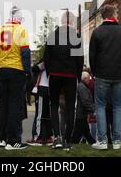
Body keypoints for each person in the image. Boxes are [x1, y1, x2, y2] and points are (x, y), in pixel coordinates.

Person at [89, 5, 121, 150]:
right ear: (113, 14)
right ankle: (116, 141)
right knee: (118, 107)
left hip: (102, 74)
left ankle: (102, 141)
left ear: (102, 16)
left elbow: (92, 56)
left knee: (100, 106)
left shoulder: (97, 32)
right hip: (120, 74)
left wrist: (94, 73)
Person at [0, 6, 31, 150]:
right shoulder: (21, 30)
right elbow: (25, 52)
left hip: (3, 70)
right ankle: (13, 140)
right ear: (19, 19)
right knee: (15, 105)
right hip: (16, 69)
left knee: (4, 105)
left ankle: (2, 138)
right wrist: (28, 71)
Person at [44, 11, 83, 150]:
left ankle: (57, 138)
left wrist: (49, 73)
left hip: (54, 74)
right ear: (72, 22)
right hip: (71, 75)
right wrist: (78, 76)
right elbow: (79, 60)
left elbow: (46, 58)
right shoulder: (76, 36)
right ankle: (67, 140)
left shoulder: (53, 35)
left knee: (54, 105)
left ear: (61, 21)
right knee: (70, 107)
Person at [27, 62, 53, 146]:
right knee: (47, 115)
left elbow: (35, 69)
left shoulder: (45, 63)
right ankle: (48, 137)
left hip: (42, 89)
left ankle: (38, 137)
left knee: (39, 115)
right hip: (51, 89)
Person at [71, 72, 96, 145]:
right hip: (81, 114)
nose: (89, 80)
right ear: (85, 79)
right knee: (78, 133)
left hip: (82, 114)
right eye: (88, 78)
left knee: (85, 131)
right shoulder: (82, 87)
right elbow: (85, 100)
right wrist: (92, 110)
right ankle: (73, 144)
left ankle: (92, 142)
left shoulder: (82, 86)